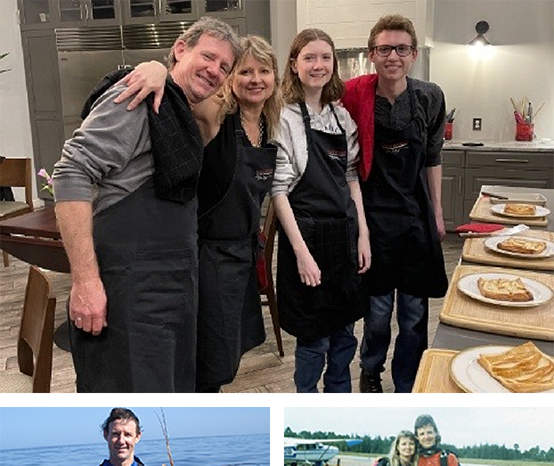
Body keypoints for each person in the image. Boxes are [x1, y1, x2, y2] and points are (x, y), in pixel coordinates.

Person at [52, 18, 240, 405]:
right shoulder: (139, 97)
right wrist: (86, 282)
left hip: (170, 293)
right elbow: (71, 171)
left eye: (225, 67)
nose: (215, 71)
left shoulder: (183, 111)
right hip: (128, 295)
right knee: (128, 411)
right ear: (180, 49)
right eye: (208, 56)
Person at [114, 35, 282, 403]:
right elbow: (176, 91)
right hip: (207, 259)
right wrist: (156, 68)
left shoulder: (270, 125)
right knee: (205, 362)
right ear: (230, 80)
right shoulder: (214, 114)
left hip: (241, 258)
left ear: (275, 78)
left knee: (225, 358)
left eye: (264, 71)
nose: (255, 79)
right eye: (244, 71)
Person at [342, 14, 448, 401]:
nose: (393, 56)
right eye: (384, 48)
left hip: (415, 217)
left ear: (413, 54)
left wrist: (436, 211)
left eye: (401, 49)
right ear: (372, 54)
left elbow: (433, 155)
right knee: (378, 313)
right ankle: (370, 372)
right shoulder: (353, 96)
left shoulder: (429, 97)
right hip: (374, 221)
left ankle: (408, 382)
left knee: (415, 314)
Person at [272, 28, 371, 406]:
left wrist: (363, 235)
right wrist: (300, 253)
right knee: (313, 344)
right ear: (294, 65)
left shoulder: (341, 117)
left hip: (344, 241)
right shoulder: (282, 116)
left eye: (325, 58)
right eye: (309, 58)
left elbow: (351, 179)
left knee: (345, 339)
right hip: (307, 239)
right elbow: (278, 190)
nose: (318, 65)